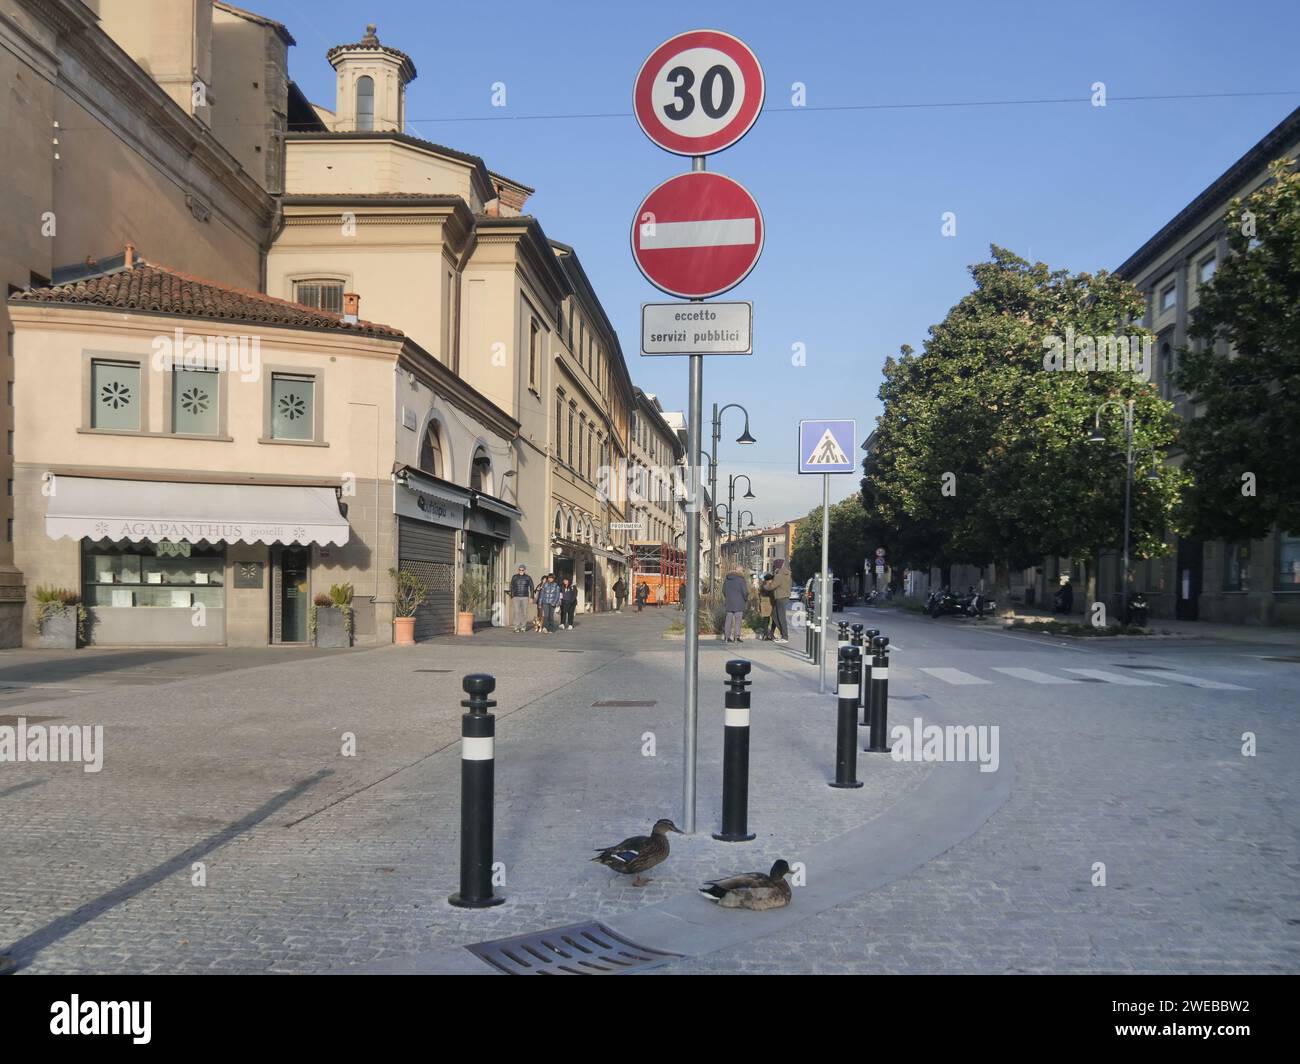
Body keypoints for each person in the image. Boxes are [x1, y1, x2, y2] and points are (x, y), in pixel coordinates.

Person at [722, 565, 748, 643]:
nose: (743, 572)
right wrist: (745, 599)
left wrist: (728, 597)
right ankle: (736, 637)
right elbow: (745, 592)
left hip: (729, 602)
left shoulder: (727, 579)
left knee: (728, 619)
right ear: (740, 571)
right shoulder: (741, 580)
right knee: (738, 620)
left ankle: (727, 637)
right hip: (739, 602)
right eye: (743, 570)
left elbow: (723, 591)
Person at [508, 564, 534, 633]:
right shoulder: (514, 577)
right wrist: (512, 596)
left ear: (524, 570)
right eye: (520, 569)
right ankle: (516, 627)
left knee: (524, 612)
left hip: (525, 597)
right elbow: (511, 586)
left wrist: (531, 597)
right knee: (516, 612)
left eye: (522, 570)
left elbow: (532, 587)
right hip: (516, 597)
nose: (521, 571)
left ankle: (523, 627)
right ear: (518, 570)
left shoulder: (528, 577)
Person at [770, 564, 791, 642]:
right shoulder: (787, 574)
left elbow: (772, 586)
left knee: (781, 617)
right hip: (784, 597)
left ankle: (785, 637)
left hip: (780, 597)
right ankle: (783, 634)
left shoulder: (779, 576)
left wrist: (766, 585)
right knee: (775, 614)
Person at [757, 573, 773, 640]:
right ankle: (767, 635)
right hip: (769, 603)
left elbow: (759, 595)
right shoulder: (769, 586)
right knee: (768, 619)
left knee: (766, 619)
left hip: (763, 603)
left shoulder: (762, 585)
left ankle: (765, 634)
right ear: (769, 579)